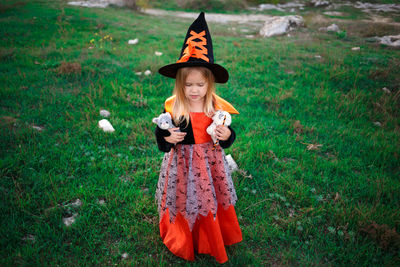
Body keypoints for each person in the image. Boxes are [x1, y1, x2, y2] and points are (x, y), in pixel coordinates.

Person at [154, 12, 242, 264]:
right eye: (188, 85)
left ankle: (210, 235)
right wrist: (167, 137)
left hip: (209, 164)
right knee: (183, 197)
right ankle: (182, 235)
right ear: (180, 85)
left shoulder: (215, 109)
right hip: (181, 164)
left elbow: (225, 135)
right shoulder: (173, 108)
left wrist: (227, 136)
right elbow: (161, 135)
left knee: (208, 197)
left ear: (210, 85)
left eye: (200, 85)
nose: (194, 90)